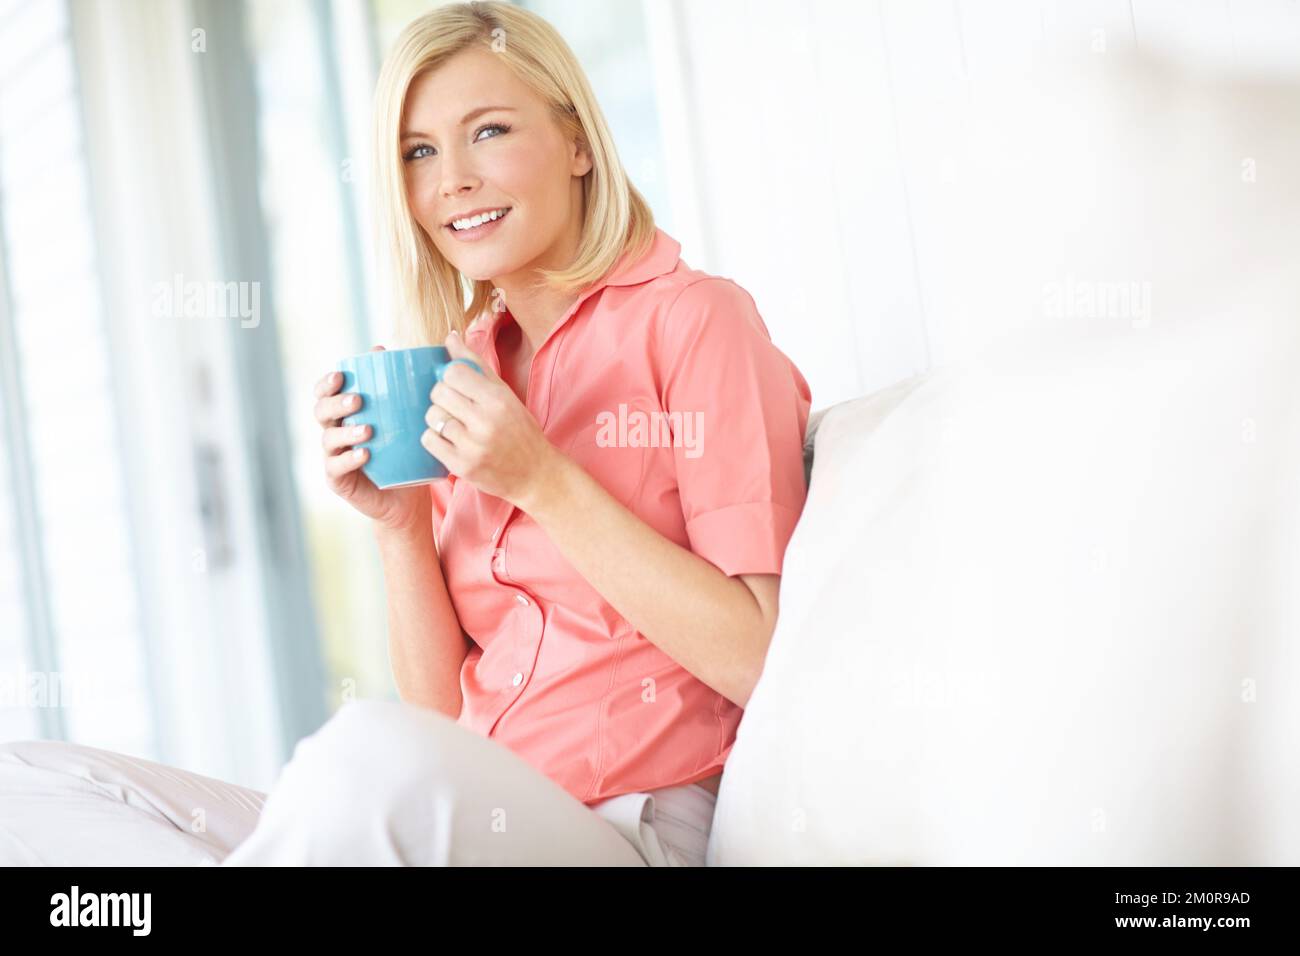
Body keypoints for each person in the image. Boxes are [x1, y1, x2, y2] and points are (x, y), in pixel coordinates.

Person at [0, 0, 811, 867]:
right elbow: (435, 721)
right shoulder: (463, 371)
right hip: (456, 810)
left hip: (625, 824)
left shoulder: (696, 323)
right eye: (418, 152)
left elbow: (760, 659)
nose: (450, 179)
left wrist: (543, 481)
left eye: (488, 130)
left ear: (578, 144)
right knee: (29, 779)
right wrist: (400, 526)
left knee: (361, 756)